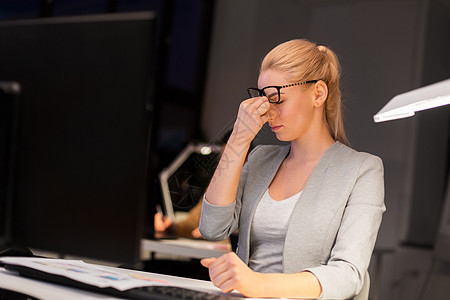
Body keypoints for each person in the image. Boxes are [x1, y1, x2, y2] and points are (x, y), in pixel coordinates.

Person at [198, 39, 385, 299]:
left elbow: (348, 274)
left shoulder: (363, 170)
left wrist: (258, 284)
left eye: (277, 99)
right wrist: (239, 139)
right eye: (263, 100)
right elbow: (212, 228)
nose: (268, 113)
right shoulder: (261, 158)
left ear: (318, 94)